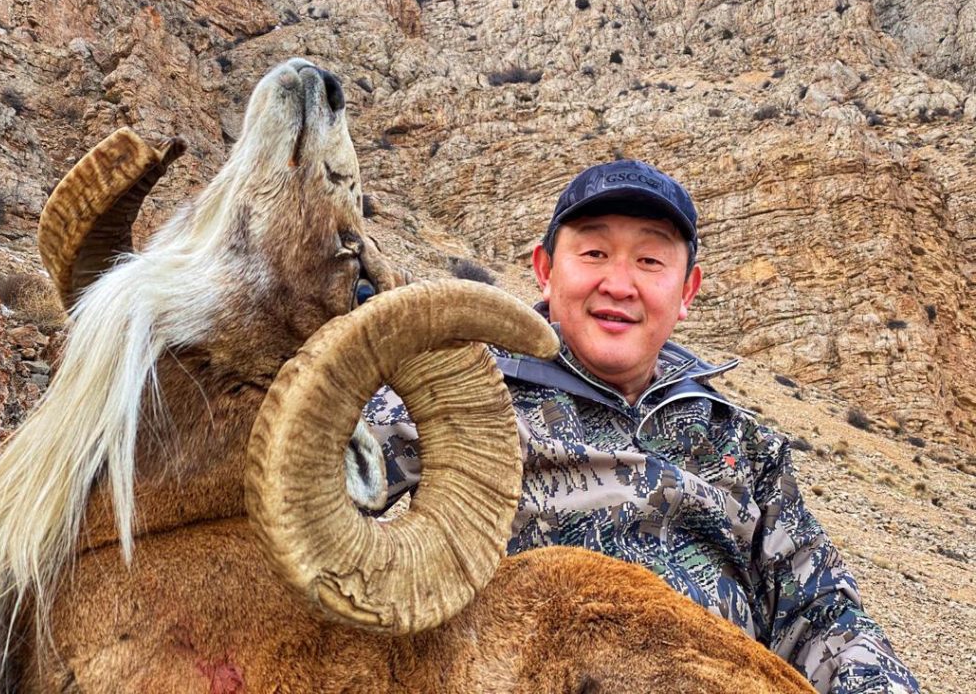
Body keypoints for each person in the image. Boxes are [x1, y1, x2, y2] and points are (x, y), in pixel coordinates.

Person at [365, 159, 920, 693]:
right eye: (594, 252)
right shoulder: (463, 391)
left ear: (687, 291)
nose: (619, 283)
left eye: (650, 261)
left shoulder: (740, 443)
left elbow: (822, 612)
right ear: (545, 269)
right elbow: (309, 498)